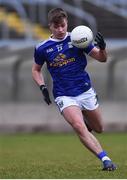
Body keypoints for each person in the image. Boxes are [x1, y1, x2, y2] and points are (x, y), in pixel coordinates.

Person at [32, 7, 116, 171]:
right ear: (50, 26)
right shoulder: (42, 48)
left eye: (63, 25)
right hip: (64, 95)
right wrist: (42, 87)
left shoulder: (78, 38)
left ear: (67, 23)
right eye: (56, 26)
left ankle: (86, 120)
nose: (60, 30)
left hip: (85, 91)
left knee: (99, 128)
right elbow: (35, 70)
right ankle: (106, 159)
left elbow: (102, 58)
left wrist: (103, 48)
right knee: (78, 127)